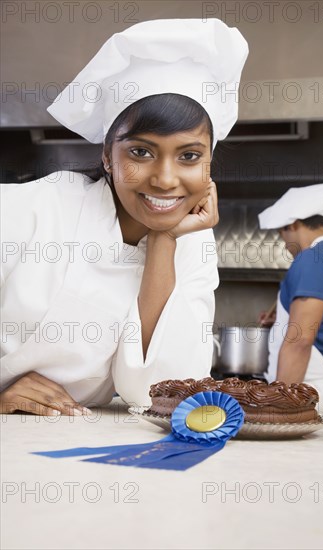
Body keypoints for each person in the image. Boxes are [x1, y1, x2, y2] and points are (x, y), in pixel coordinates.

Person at [0, 19, 249, 415]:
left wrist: (164, 242)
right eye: (140, 152)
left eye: (189, 156)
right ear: (107, 156)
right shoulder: (31, 209)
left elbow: (159, 394)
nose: (166, 179)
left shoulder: (193, 242)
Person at [258, 182, 323, 397]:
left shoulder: (312, 259)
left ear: (292, 225)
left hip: (306, 395)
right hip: (321, 391)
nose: (284, 244)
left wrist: (280, 405)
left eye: (282, 234)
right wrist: (281, 323)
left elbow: (300, 340)